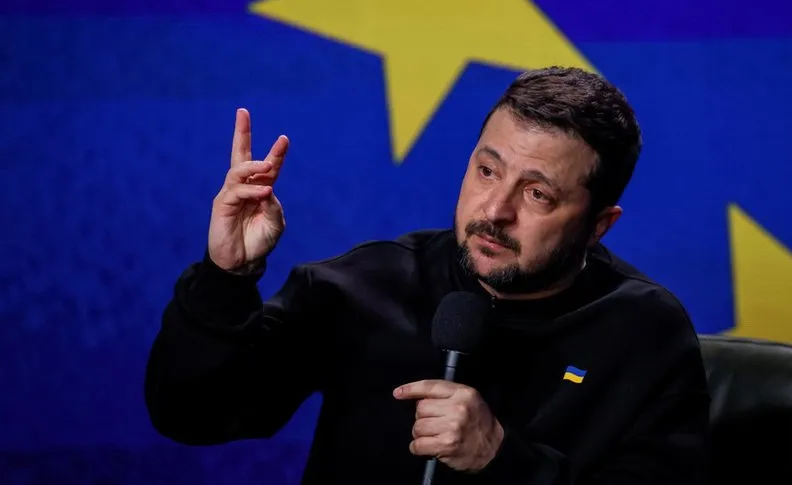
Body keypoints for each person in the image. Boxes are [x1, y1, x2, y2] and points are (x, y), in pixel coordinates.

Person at [144, 66, 710, 484]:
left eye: (537, 194)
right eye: (486, 171)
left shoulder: (643, 332)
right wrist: (226, 277)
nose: (495, 210)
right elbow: (191, 414)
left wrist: (502, 460)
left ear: (598, 226)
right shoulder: (367, 285)